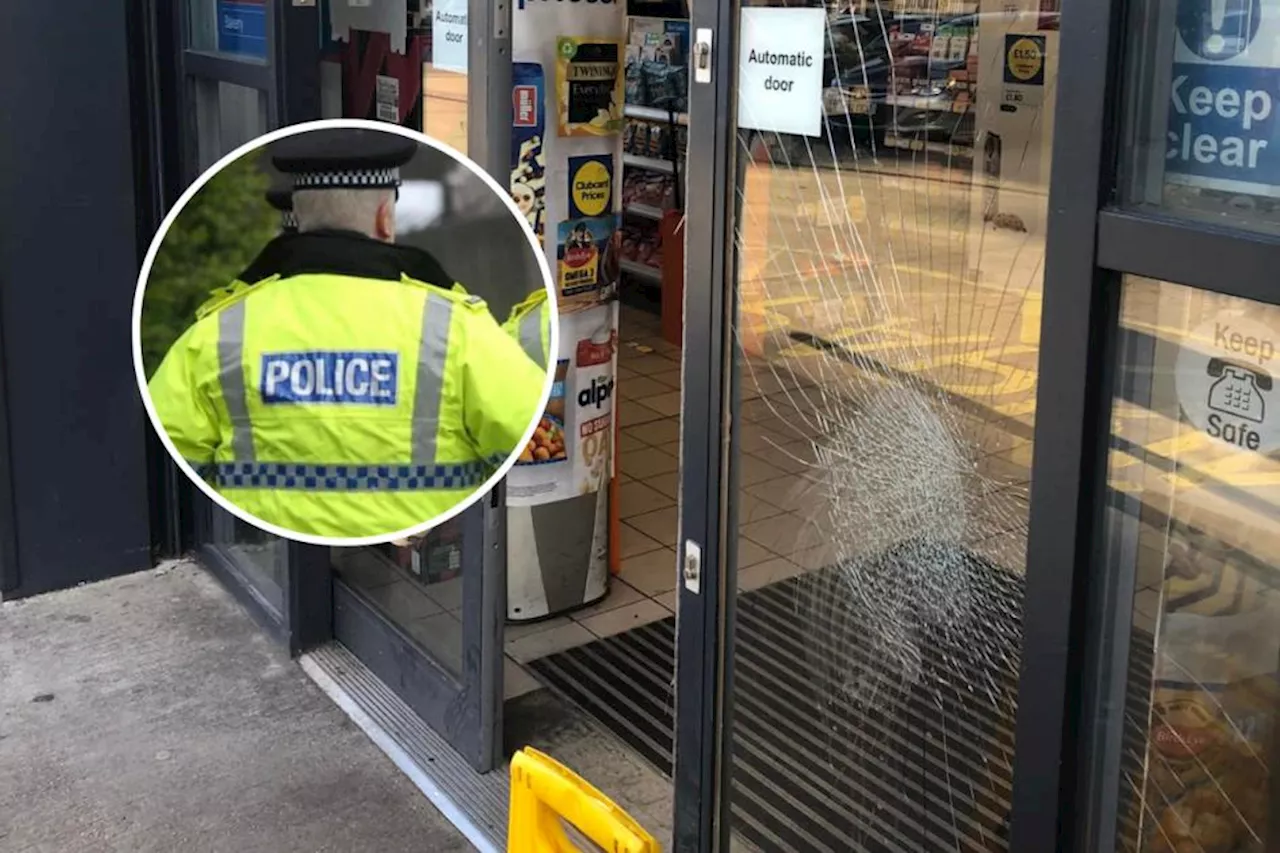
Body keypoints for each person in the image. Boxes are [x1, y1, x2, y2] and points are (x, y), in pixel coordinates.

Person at [148, 127, 547, 539]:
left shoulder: (221, 329)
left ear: (298, 220)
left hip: (272, 565)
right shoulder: (454, 327)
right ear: (384, 218)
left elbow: (168, 449)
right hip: (417, 566)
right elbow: (528, 435)